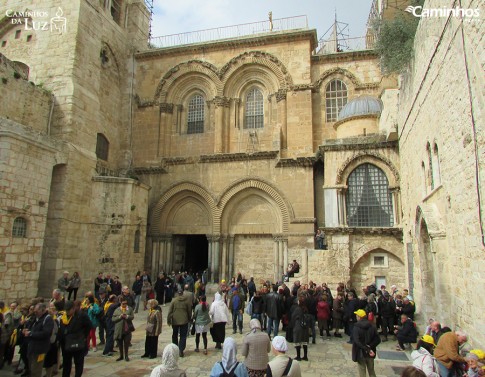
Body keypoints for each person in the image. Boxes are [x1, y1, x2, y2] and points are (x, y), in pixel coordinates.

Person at [60, 300, 91, 377]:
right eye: (66, 310)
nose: (67, 312)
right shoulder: (63, 316)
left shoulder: (81, 315)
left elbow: (89, 325)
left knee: (78, 363)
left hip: (78, 342)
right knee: (66, 364)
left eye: (68, 310)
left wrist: (84, 336)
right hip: (66, 343)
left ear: (73, 309)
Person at [23, 303, 54, 377]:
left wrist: (31, 333)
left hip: (40, 349)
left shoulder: (47, 319)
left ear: (43, 310)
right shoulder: (35, 318)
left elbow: (46, 333)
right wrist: (26, 330)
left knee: (36, 370)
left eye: (37, 311)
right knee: (32, 368)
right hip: (32, 347)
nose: (35, 312)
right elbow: (31, 327)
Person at [351, 309, 381, 377]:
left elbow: (357, 341)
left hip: (360, 352)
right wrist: (369, 347)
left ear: (359, 317)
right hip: (371, 351)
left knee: (362, 371)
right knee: (371, 371)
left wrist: (366, 348)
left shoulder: (356, 327)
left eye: (356, 315)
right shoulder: (372, 325)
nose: (356, 316)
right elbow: (378, 339)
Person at [167, 288, 192, 357]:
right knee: (183, 336)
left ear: (177, 293)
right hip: (184, 320)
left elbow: (170, 311)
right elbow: (189, 310)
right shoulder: (186, 301)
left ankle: (175, 349)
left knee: (174, 335)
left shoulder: (174, 301)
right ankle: (181, 350)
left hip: (175, 320)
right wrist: (189, 318)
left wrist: (169, 320)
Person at [290, 297, 309, 361]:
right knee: (304, 341)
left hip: (298, 326)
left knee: (298, 341)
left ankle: (298, 356)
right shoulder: (306, 309)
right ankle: (305, 356)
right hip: (305, 327)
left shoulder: (297, 309)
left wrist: (292, 325)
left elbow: (293, 317)